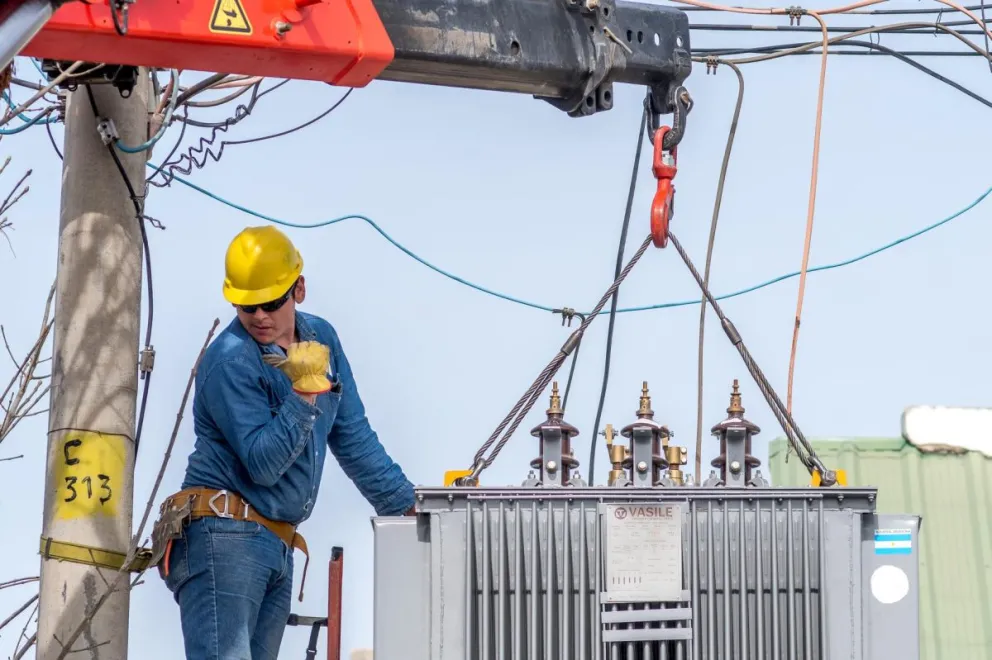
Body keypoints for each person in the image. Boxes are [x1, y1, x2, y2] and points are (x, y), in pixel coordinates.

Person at [155, 225, 416, 659]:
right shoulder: (230, 360)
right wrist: (303, 397)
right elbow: (263, 464)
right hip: (224, 536)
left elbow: (352, 436)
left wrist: (406, 508)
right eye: (247, 305)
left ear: (299, 289)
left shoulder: (322, 340)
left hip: (277, 540)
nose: (259, 316)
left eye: (271, 302)